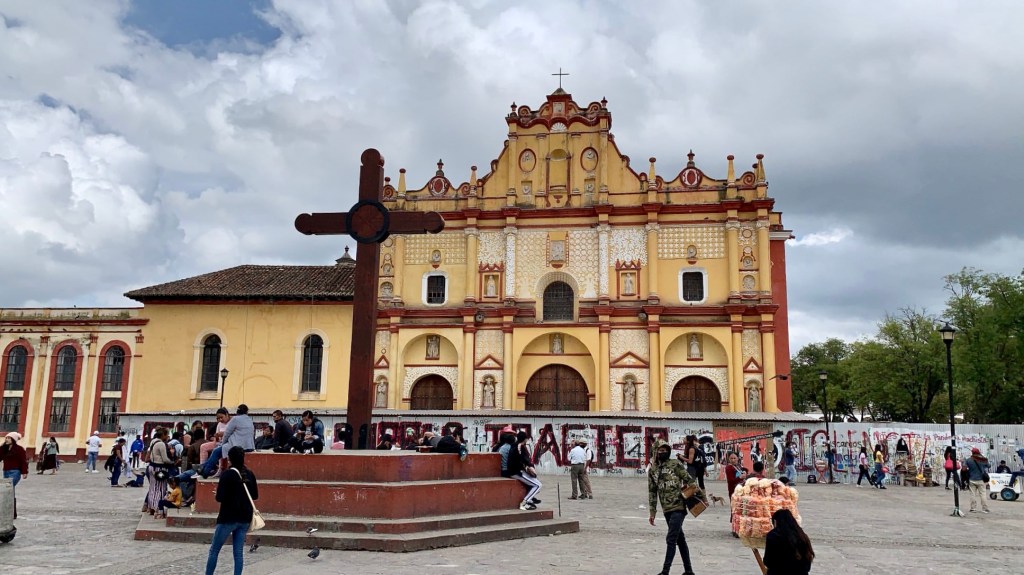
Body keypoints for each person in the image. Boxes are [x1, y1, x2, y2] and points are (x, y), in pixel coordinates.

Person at [647, 439, 698, 575]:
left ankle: (665, 571)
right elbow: (652, 492)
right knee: (680, 539)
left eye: (665, 451)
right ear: (655, 452)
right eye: (660, 451)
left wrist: (698, 494)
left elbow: (689, 479)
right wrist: (652, 512)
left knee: (671, 539)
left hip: (678, 507)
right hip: (666, 509)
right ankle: (689, 571)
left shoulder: (675, 464)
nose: (663, 453)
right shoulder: (653, 471)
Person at [206, 446, 258, 575]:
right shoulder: (250, 474)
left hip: (228, 518)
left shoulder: (227, 474)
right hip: (245, 518)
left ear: (230, 459)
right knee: (238, 553)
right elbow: (255, 495)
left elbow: (220, 497)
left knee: (214, 550)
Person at [201, 404, 255, 478]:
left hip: (237, 445)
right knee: (218, 451)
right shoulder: (249, 419)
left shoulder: (235, 419)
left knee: (216, 452)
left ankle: (205, 472)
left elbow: (227, 433)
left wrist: (223, 444)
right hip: (249, 446)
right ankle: (201, 468)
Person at [762, 508, 814, 575]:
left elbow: (768, 561)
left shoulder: (774, 535)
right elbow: (807, 565)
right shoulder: (803, 536)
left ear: (775, 522)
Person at [498, 432, 540, 511]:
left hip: (514, 471)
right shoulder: (519, 447)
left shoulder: (513, 446)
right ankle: (525, 503)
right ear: (525, 439)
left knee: (534, 483)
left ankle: (529, 500)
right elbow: (525, 460)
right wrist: (530, 468)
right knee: (537, 485)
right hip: (516, 472)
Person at [144, 427, 174, 516]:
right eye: (166, 435)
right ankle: (158, 508)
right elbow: (165, 459)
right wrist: (172, 461)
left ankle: (151, 507)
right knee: (161, 489)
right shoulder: (161, 444)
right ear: (163, 435)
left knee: (153, 488)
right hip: (160, 468)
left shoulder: (153, 441)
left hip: (151, 467)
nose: (167, 436)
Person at [0, 432, 28, 519]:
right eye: (6, 438)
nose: (7, 439)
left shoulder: (19, 449)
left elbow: (23, 461)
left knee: (8, 489)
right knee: (10, 492)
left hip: (15, 472)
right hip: (6, 472)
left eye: (9, 438)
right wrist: (1, 446)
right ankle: (11, 513)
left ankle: (10, 513)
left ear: (13, 439)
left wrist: (24, 472)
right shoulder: (4, 449)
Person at [725, 451, 748, 538]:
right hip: (733, 490)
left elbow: (744, 471)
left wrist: (745, 474)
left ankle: (739, 528)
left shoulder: (738, 466)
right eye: (731, 458)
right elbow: (730, 480)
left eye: (735, 458)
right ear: (728, 459)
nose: (733, 460)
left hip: (741, 490)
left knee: (740, 508)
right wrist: (740, 477)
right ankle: (734, 529)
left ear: (738, 458)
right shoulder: (729, 468)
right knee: (734, 509)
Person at [964, 447, 990, 513]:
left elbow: (964, 469)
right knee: (983, 494)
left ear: (972, 452)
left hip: (972, 479)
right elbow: (989, 466)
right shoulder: (983, 460)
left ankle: (973, 508)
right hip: (981, 480)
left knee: (972, 494)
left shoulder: (968, 460)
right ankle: (985, 509)